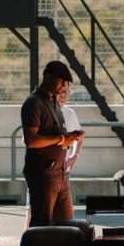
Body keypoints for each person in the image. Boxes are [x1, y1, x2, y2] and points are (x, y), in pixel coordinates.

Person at [20, 61, 84, 227]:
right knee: (42, 223)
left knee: (67, 223)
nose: (62, 85)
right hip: (43, 173)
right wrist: (62, 140)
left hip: (60, 171)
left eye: (65, 83)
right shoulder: (34, 103)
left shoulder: (53, 101)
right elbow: (30, 140)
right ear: (47, 77)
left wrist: (70, 136)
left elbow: (55, 132)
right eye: (60, 80)